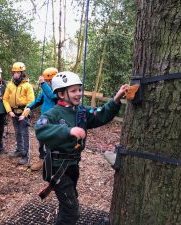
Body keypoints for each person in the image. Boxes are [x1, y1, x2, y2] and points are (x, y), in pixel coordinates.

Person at [35, 71, 133, 225]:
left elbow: (100, 114)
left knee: (69, 201)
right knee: (71, 210)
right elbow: (40, 129)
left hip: (73, 166)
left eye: (79, 90)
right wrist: (68, 131)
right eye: (73, 91)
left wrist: (116, 99)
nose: (79, 94)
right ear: (61, 94)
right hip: (56, 168)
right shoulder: (52, 114)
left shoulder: (81, 112)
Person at [19, 67, 58, 170]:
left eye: (49, 80)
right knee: (41, 139)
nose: (47, 82)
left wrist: (43, 84)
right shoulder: (45, 90)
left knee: (50, 142)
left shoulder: (59, 90)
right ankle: (42, 159)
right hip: (44, 119)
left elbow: (53, 96)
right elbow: (37, 101)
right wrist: (28, 108)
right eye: (46, 81)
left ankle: (51, 163)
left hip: (54, 120)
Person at [3, 62, 35, 165]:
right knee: (17, 132)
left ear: (22, 73)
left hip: (23, 112)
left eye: (18, 72)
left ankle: (26, 154)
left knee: (25, 133)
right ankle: (19, 150)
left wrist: (24, 114)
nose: (16, 74)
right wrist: (9, 111)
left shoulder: (27, 86)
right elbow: (5, 99)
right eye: (14, 72)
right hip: (14, 112)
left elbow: (31, 101)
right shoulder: (10, 85)